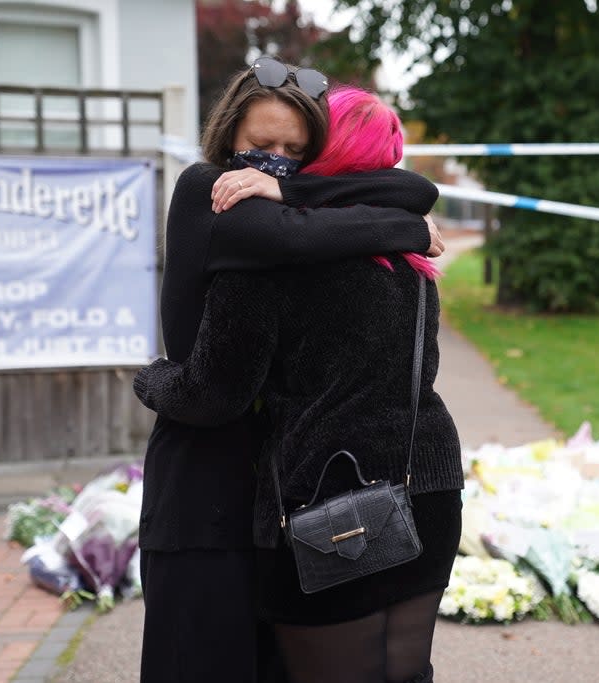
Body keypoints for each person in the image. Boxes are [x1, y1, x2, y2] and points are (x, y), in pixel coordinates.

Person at [134, 86, 465, 683]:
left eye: (296, 148)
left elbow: (217, 391)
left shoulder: (276, 260)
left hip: (331, 498)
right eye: (264, 147)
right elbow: (407, 195)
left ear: (319, 154)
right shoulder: (407, 261)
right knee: (405, 672)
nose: (278, 162)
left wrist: (152, 377)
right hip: (429, 484)